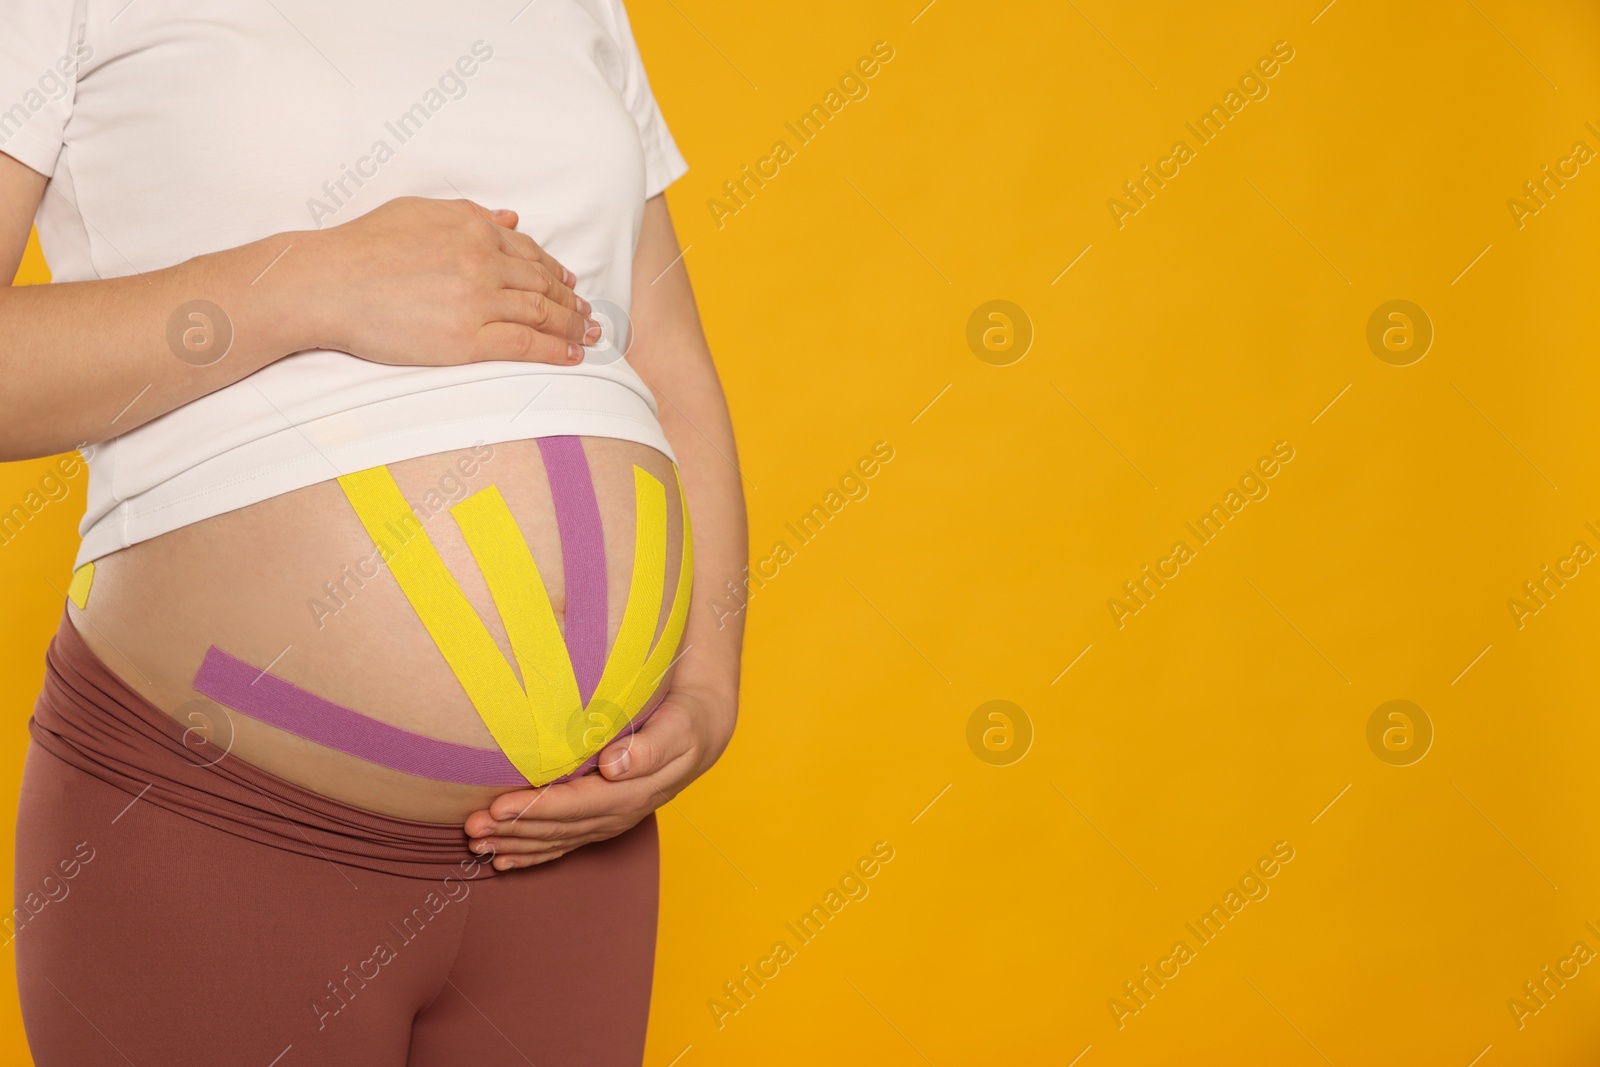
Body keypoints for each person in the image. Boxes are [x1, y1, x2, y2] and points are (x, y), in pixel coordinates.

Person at [0, 2, 745, 1063]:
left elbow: (668, 361)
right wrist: (306, 283)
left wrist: (707, 687)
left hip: (576, 847)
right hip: (229, 828)